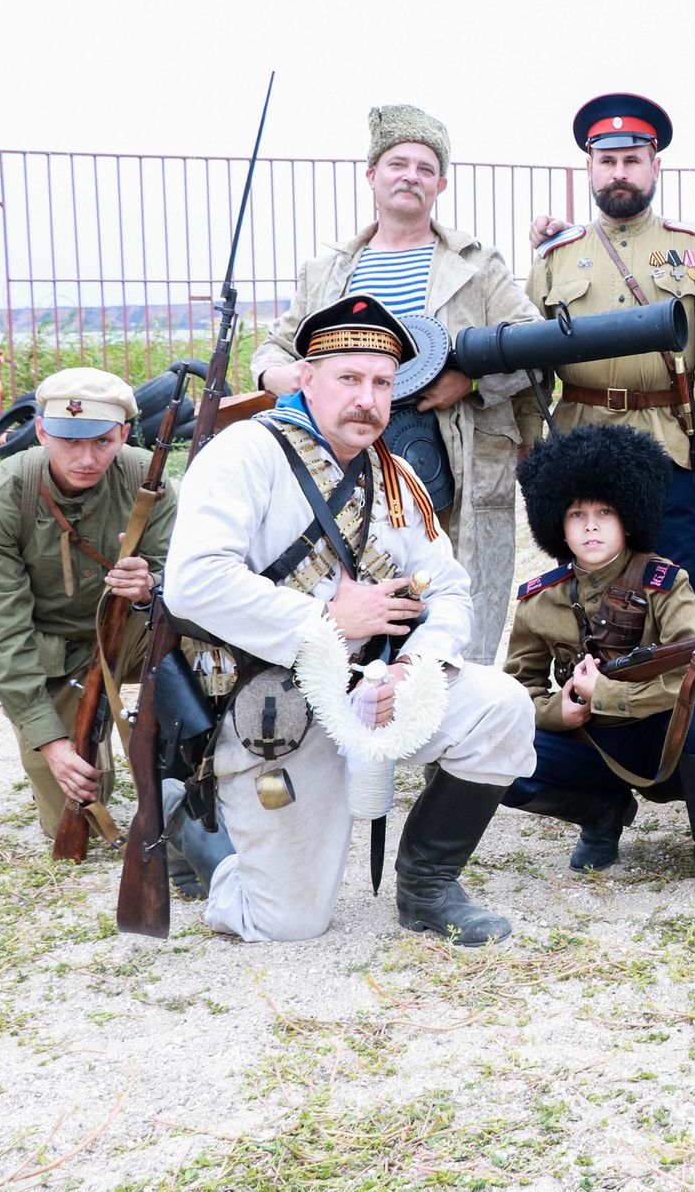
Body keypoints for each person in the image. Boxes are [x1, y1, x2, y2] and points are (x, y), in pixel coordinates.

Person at [164, 295, 534, 945]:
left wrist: (417, 668)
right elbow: (193, 582)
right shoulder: (244, 453)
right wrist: (327, 620)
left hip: (375, 695)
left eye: (382, 383)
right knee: (287, 924)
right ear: (306, 379)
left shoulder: (395, 476)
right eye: (349, 378)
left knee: (500, 706)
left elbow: (450, 589)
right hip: (270, 709)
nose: (367, 399)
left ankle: (427, 887)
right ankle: (192, 829)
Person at [253, 104, 543, 665]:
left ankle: (444, 707)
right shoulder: (327, 271)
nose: (410, 176)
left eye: (425, 168)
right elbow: (272, 350)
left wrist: (469, 382)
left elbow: (531, 344)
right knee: (349, 584)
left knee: (451, 599)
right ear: (372, 175)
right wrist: (292, 377)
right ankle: (354, 699)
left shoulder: (477, 265)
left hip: (451, 454)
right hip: (341, 454)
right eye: (397, 164)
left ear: (440, 184)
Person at [501, 424, 695, 916]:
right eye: (577, 514)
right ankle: (602, 811)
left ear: (629, 518)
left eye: (605, 513)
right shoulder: (539, 600)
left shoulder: (664, 584)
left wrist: (606, 695)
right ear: (557, 524)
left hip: (662, 738)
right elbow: (512, 692)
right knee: (497, 751)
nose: (590, 527)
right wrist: (557, 711)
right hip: (590, 742)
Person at [528, 92, 695, 575]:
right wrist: (530, 441)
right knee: (584, 588)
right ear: (589, 168)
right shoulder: (555, 257)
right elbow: (529, 364)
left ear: (655, 166)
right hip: (578, 442)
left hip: (666, 446)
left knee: (673, 583)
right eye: (607, 161)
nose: (619, 172)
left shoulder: (693, 249)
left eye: (632, 160)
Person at [0, 368, 174, 839]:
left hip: (130, 633)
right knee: (77, 811)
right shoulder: (3, 496)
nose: (86, 458)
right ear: (41, 432)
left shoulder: (149, 480)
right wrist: (50, 741)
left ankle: (197, 767)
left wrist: (151, 586)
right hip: (53, 654)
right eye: (69, 440)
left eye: (102, 441)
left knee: (210, 645)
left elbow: (190, 583)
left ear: (123, 434)